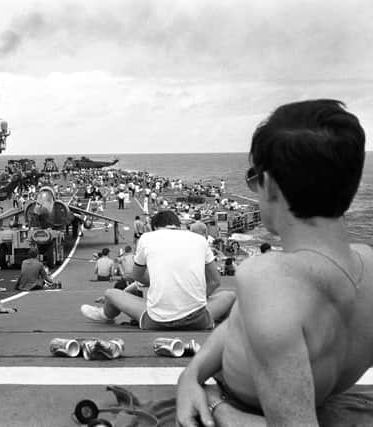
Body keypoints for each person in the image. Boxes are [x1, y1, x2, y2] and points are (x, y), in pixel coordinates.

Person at [176, 100, 373, 426]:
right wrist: (191, 375)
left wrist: (215, 405)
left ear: (269, 184)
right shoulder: (367, 259)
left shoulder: (268, 277)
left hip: (242, 407)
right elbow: (243, 323)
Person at [81, 210, 235, 330]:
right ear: (178, 224)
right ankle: (222, 318)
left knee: (111, 294)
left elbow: (136, 275)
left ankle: (105, 315)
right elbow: (215, 281)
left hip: (156, 321)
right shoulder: (200, 240)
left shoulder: (147, 238)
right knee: (229, 295)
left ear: (154, 227)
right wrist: (195, 298)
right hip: (199, 320)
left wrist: (157, 280)